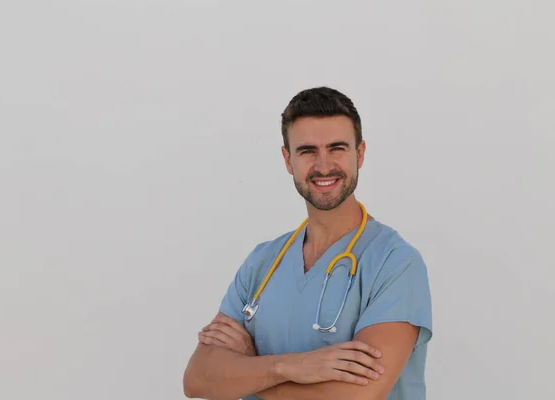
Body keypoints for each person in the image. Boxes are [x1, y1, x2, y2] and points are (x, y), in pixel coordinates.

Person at [182, 86, 433, 400]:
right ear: (288, 160)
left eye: (337, 148)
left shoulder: (395, 264)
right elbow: (198, 379)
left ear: (360, 154)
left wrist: (250, 369)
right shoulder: (262, 262)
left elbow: (355, 396)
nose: (323, 165)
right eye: (307, 151)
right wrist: (288, 367)